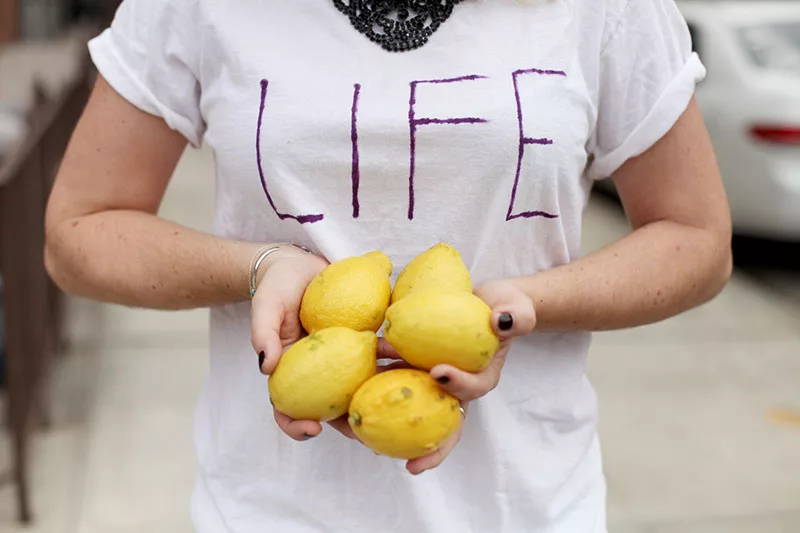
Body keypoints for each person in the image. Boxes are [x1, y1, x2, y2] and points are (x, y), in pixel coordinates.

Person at [44, 0, 733, 531]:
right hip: (269, 508)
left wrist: (522, 304)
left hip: (525, 506)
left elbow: (697, 237)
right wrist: (258, 267)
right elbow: (79, 232)